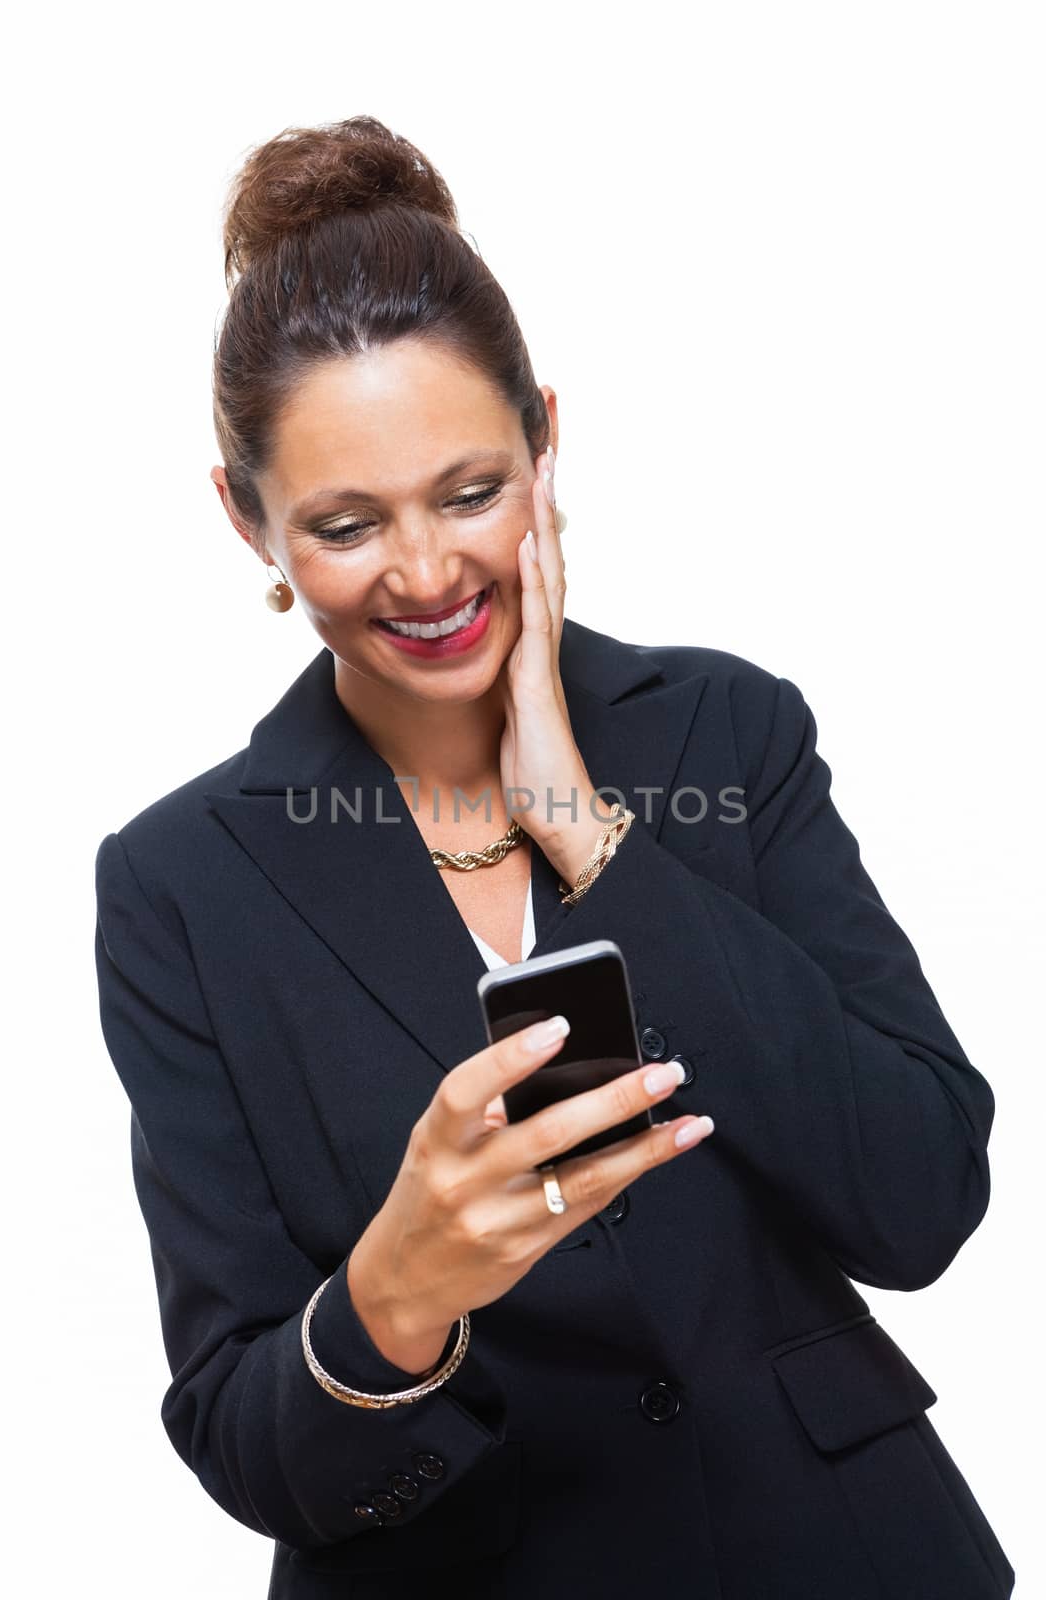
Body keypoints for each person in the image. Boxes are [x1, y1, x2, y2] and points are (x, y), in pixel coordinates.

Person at [93, 115, 1015, 1600]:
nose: (426, 572)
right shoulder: (180, 884)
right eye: (342, 523)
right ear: (245, 520)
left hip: (835, 1552)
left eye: (470, 491)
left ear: (546, 440)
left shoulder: (728, 729)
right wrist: (393, 1295)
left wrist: (587, 829)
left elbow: (921, 1198)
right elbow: (239, 1434)